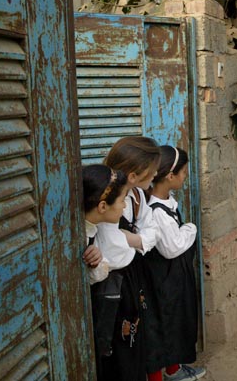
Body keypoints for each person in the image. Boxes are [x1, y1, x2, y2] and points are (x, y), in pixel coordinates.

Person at [94, 136, 161, 380]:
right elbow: (115, 254)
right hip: (114, 285)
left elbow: (153, 234)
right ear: (133, 176)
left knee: (137, 337)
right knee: (119, 347)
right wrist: (138, 240)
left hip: (133, 278)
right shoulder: (109, 198)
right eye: (152, 173)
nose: (155, 177)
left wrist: (130, 238)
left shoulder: (138, 196)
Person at [144, 145, 206, 381]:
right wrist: (190, 228)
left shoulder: (166, 201)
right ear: (170, 176)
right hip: (162, 279)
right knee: (162, 326)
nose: (185, 176)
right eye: (183, 172)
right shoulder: (156, 211)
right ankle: (160, 376)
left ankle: (173, 369)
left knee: (175, 322)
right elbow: (171, 248)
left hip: (172, 278)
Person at [83, 164, 140, 380]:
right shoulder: (77, 237)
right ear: (103, 206)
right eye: (122, 200)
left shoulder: (92, 231)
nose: (125, 206)